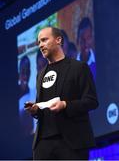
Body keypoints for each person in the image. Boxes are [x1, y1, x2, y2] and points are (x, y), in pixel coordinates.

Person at [25, 26, 98, 160]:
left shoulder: (79, 68)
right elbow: (44, 107)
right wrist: (36, 110)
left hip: (71, 142)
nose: (41, 45)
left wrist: (65, 105)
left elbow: (92, 101)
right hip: (43, 145)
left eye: (44, 40)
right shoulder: (40, 75)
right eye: (39, 42)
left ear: (58, 40)